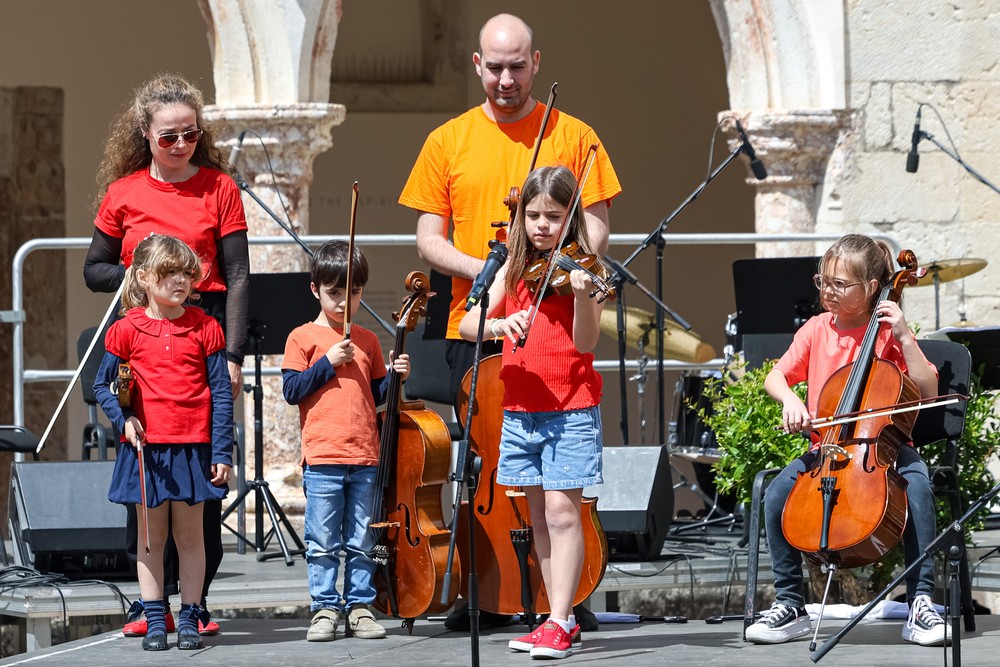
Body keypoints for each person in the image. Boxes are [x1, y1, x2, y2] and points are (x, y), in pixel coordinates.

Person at [398, 10, 619, 632]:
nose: (505, 79)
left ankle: (561, 602)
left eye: (517, 67)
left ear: (536, 64)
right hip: (488, 315)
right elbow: (427, 239)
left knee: (561, 479)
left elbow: (596, 225)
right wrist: (499, 269)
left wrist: (566, 270)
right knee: (491, 465)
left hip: (555, 317)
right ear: (477, 65)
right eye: (494, 67)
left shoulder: (574, 134)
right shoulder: (448, 139)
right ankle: (490, 587)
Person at [83, 73, 249, 637]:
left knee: (199, 488)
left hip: (203, 335)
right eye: (169, 137)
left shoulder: (219, 187)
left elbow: (239, 275)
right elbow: (93, 270)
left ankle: (195, 606)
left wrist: (234, 352)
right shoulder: (124, 193)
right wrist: (143, 277)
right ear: (145, 135)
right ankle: (150, 605)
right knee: (146, 488)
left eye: (190, 136)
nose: (181, 147)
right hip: (144, 338)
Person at [745, 234, 949, 648]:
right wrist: (791, 401)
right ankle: (790, 604)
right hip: (827, 447)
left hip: (884, 448)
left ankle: (922, 602)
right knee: (775, 494)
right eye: (824, 281)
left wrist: (907, 339)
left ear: (873, 287)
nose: (827, 291)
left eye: (840, 284)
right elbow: (776, 376)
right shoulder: (817, 329)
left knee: (920, 487)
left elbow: (927, 390)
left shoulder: (890, 333)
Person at [459, 166, 605, 659]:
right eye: (533, 215)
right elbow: (467, 323)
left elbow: (586, 342)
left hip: (569, 403)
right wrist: (502, 323)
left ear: (571, 219)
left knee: (564, 514)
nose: (541, 225)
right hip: (521, 405)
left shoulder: (583, 269)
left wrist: (584, 296)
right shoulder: (513, 266)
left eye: (554, 216)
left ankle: (561, 620)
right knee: (540, 517)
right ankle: (554, 615)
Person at [93, 234, 233, 651]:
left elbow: (221, 393)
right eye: (169, 272)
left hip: (193, 446)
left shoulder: (206, 326)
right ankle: (155, 618)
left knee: (191, 537)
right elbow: (102, 385)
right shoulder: (125, 329)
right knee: (151, 539)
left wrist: (222, 450)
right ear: (142, 277)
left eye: (186, 274)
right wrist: (125, 417)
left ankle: (190, 615)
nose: (180, 281)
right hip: (147, 450)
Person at [281, 241, 410, 642]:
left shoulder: (369, 340)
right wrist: (328, 362)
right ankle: (323, 608)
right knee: (321, 539)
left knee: (362, 538)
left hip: (365, 454)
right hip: (323, 455)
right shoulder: (301, 337)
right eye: (334, 293)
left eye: (352, 293)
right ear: (316, 289)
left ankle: (359, 607)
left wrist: (395, 375)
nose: (343, 302)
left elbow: (376, 395)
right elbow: (291, 389)